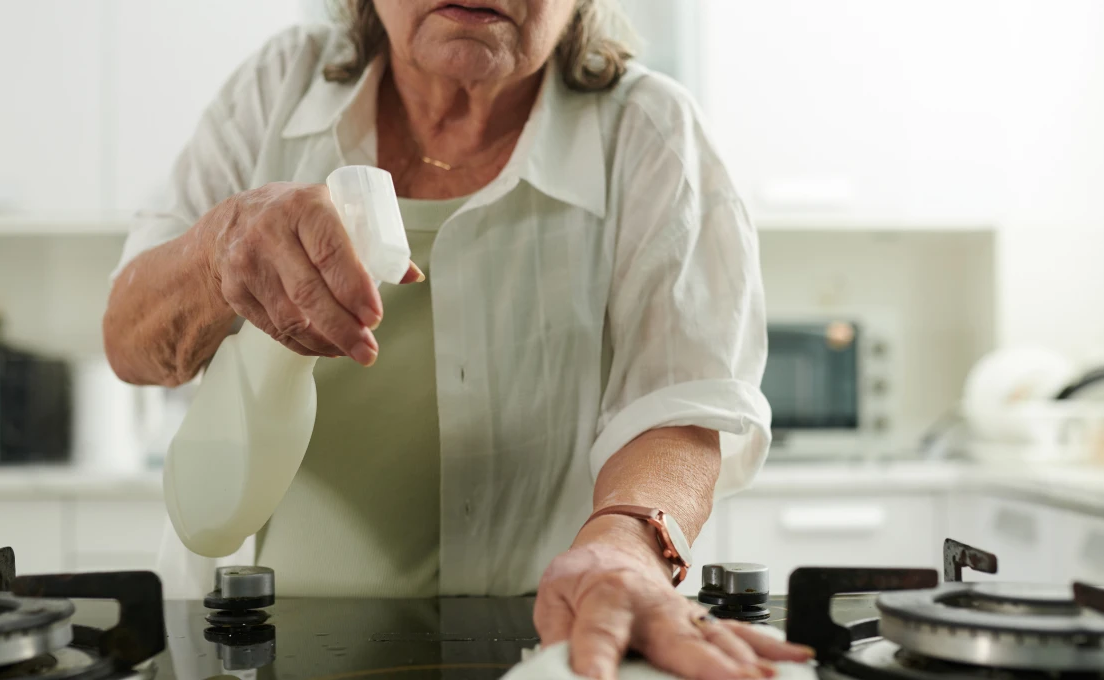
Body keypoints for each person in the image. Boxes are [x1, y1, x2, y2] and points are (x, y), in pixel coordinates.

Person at [104, 0, 812, 677]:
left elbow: (681, 403)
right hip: (251, 644)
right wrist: (216, 249)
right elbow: (132, 345)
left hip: (539, 645)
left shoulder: (649, 131)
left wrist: (627, 546)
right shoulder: (279, 89)